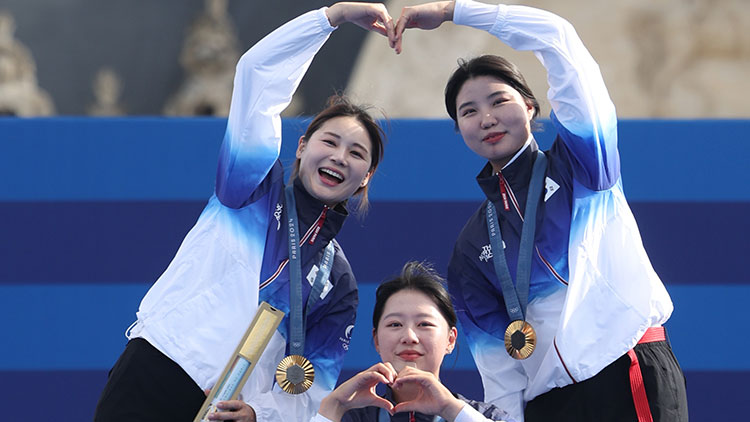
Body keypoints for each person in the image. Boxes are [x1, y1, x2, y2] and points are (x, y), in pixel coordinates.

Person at [93, 3, 396, 421]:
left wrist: (261, 412)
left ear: (366, 177)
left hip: (230, 413)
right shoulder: (251, 186)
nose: (340, 157)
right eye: (330, 142)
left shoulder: (337, 281)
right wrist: (331, 17)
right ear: (302, 146)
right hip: (159, 370)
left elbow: (314, 385)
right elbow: (256, 74)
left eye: (356, 153)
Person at [392, 1, 688, 422]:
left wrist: (452, 11)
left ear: (530, 106)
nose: (487, 118)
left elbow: (559, 38)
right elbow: (500, 374)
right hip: (547, 404)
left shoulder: (584, 165)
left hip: (626, 372)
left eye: (499, 100)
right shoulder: (472, 247)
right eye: (469, 111)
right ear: (459, 131)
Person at [312, 261, 514, 422]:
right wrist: (335, 405)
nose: (409, 336)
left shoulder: (485, 416)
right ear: (377, 341)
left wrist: (450, 409)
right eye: (395, 325)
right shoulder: (344, 418)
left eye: (424, 324)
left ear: (450, 340)